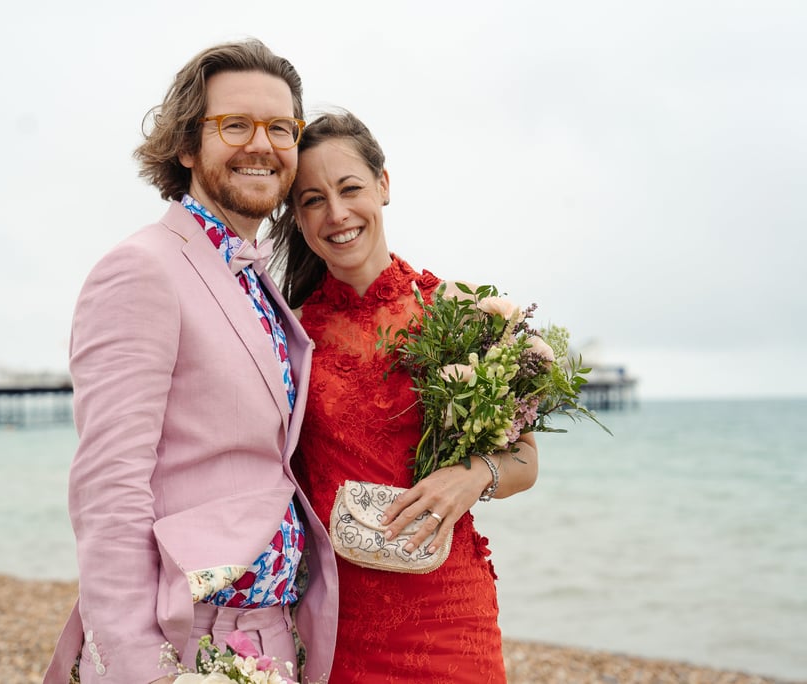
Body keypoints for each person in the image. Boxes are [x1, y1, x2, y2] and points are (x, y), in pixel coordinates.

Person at [43, 40, 338, 684]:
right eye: (235, 124)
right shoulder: (142, 268)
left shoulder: (254, 277)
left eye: (280, 128)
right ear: (185, 144)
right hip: (187, 635)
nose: (261, 144)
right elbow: (108, 486)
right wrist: (140, 667)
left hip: (272, 633)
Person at [268, 110, 539, 683]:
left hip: (450, 614)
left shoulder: (459, 310)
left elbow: (526, 460)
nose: (336, 213)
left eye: (350, 189)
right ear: (298, 217)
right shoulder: (288, 334)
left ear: (383, 185)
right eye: (313, 200)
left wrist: (471, 476)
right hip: (338, 621)